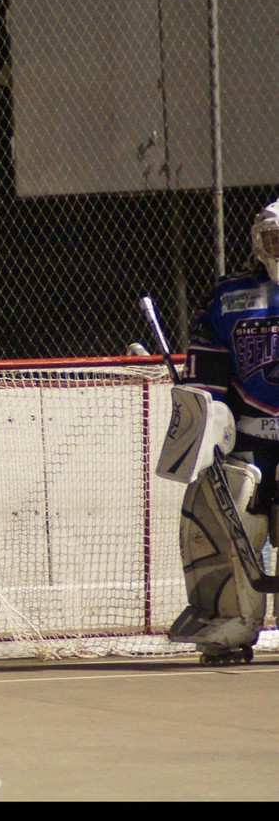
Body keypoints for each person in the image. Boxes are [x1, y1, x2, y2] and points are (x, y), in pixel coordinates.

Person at [159, 199, 279, 665]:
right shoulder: (230, 296)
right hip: (249, 440)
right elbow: (209, 372)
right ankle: (232, 620)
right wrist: (206, 422)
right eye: (274, 239)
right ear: (259, 241)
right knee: (226, 515)